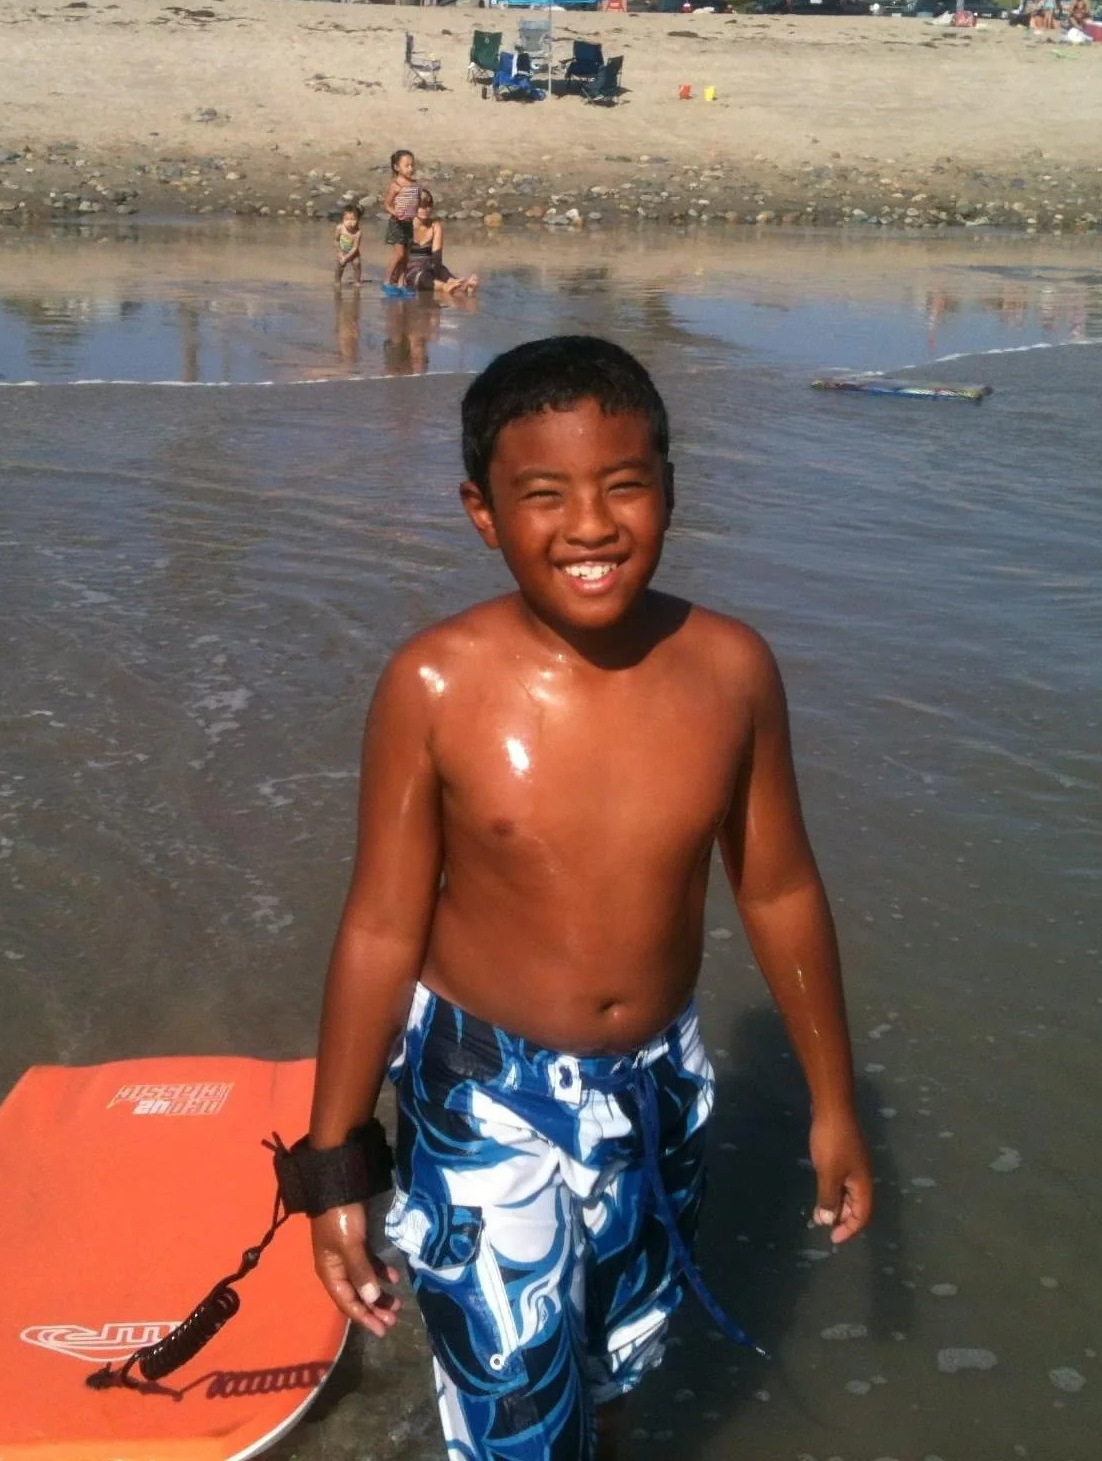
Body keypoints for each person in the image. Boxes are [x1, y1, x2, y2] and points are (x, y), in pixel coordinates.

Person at [297, 337, 873, 1459]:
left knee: (611, 1372)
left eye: (624, 485)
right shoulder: (434, 684)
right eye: (543, 496)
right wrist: (333, 1169)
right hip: (483, 1096)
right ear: (482, 511)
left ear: (669, 486)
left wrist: (833, 1103)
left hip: (658, 1089)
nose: (592, 526)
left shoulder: (730, 672)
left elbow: (780, 888)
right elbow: (378, 926)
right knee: (516, 1419)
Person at [403, 189, 478, 298]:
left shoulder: (435, 226)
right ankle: (444, 287)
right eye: (421, 205)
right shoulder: (405, 227)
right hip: (412, 269)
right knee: (422, 277)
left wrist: (440, 275)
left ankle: (463, 286)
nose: (425, 209)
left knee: (442, 272)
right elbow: (400, 255)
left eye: (428, 205)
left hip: (430, 265)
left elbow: (437, 257)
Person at [380, 148, 419, 290]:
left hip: (409, 223)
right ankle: (387, 281)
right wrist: (395, 212)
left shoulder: (415, 185)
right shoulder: (395, 185)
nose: (410, 168)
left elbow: (416, 202)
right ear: (397, 167)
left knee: (406, 256)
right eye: (407, 165)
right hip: (397, 223)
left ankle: (402, 283)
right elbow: (387, 204)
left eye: (412, 165)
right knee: (399, 253)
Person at [334, 202, 363, 287]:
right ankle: (337, 281)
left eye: (353, 219)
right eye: (347, 219)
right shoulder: (340, 228)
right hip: (342, 251)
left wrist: (347, 257)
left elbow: (355, 247)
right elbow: (336, 240)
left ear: (358, 220)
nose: (350, 222)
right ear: (342, 219)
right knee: (339, 265)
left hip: (354, 253)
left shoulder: (358, 233)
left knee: (357, 263)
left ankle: (357, 281)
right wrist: (340, 252)